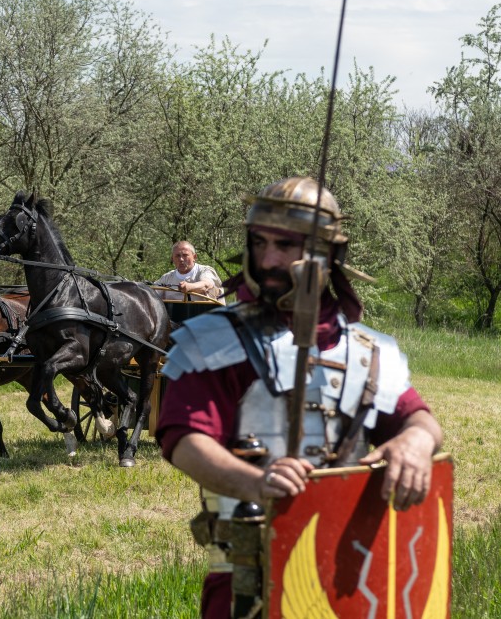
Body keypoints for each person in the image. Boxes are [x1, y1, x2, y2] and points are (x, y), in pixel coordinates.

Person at [156, 177, 444, 619]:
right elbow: (183, 440)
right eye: (260, 243)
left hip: (353, 571)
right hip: (249, 573)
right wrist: (255, 482)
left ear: (327, 254)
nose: (269, 259)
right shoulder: (216, 340)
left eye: (286, 245)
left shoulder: (366, 351)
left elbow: (418, 419)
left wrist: (416, 441)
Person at [154, 241, 225, 304]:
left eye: (185, 255)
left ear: (194, 257)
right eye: (177, 256)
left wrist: (189, 287)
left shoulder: (205, 271)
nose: (181, 259)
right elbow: (153, 293)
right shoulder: (167, 278)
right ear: (172, 259)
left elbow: (206, 285)